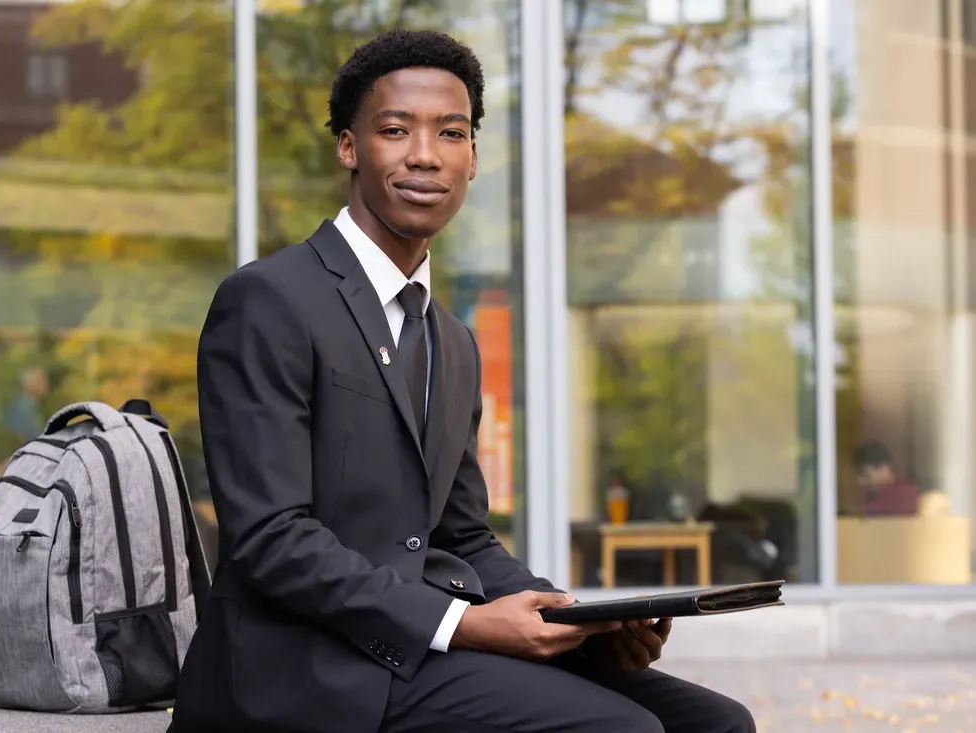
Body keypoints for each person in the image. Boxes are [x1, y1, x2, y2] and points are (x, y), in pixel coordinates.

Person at [169, 29, 755, 733]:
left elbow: (464, 536)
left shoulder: (450, 338)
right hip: (303, 667)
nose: (425, 154)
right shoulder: (270, 299)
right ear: (349, 148)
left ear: (473, 159)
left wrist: (575, 619)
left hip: (412, 648)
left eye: (451, 132)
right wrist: (465, 623)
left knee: (717, 722)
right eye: (395, 129)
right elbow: (272, 538)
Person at [852, 440, 920, 516]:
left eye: (865, 475)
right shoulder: (873, 494)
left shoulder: (905, 491)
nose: (860, 481)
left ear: (883, 469)